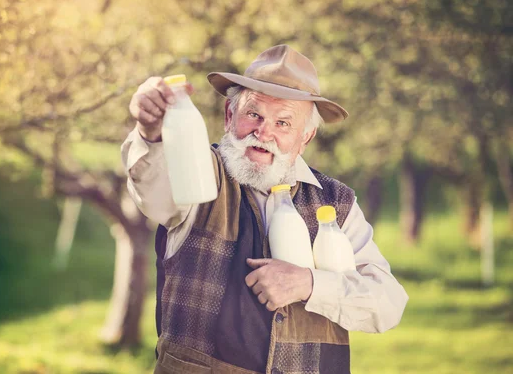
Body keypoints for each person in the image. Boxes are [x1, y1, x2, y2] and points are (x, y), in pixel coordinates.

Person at [121, 45, 408, 374]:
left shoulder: (336, 202)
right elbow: (154, 192)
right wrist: (151, 131)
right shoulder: (199, 173)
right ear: (230, 117)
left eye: (283, 123)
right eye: (253, 115)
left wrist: (309, 284)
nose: (263, 133)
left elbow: (387, 304)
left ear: (306, 137)